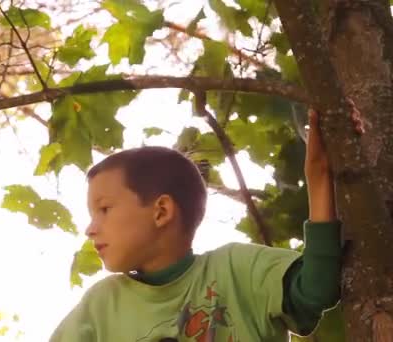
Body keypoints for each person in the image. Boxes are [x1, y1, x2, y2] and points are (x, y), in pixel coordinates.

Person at [49, 108, 342, 342]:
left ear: (161, 211)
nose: (90, 228)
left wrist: (318, 179)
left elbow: (317, 288)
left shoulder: (237, 269)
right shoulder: (100, 307)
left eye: (104, 209)